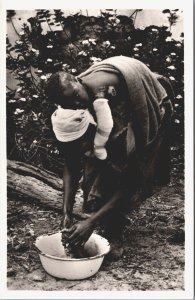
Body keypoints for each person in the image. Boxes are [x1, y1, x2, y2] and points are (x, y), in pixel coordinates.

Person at [45, 56, 174, 259]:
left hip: (150, 103)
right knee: (98, 166)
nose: (78, 102)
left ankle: (115, 229)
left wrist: (91, 222)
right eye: (73, 103)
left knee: (125, 168)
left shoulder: (111, 120)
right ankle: (107, 216)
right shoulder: (71, 118)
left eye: (77, 96)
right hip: (110, 113)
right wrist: (66, 212)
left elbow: (131, 181)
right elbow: (70, 163)